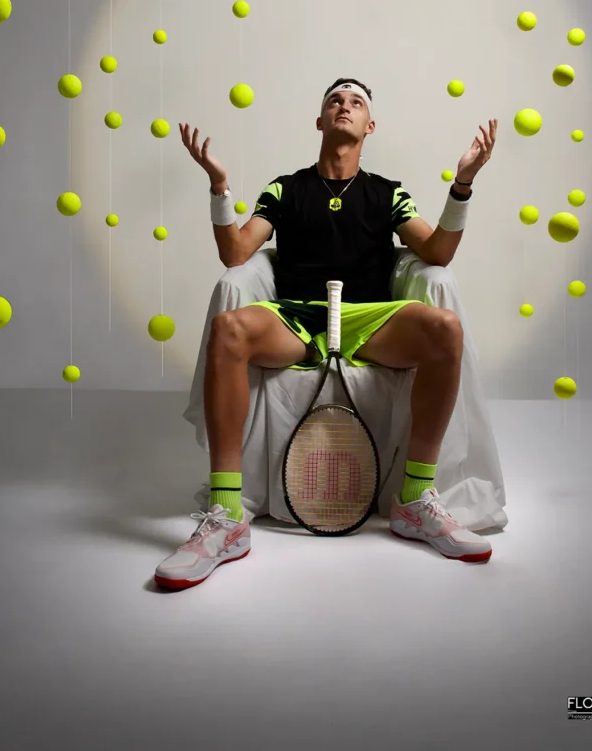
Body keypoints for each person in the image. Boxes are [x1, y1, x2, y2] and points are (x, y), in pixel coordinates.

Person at [155, 79, 498, 590]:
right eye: (335, 100)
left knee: (444, 329)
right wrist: (220, 187)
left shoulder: (388, 193)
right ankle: (227, 519)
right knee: (229, 329)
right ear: (320, 122)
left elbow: (437, 253)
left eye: (356, 102)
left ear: (369, 126)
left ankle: (413, 501)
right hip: (297, 316)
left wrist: (463, 184)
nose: (345, 106)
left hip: (367, 317)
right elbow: (236, 254)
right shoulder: (285, 188)